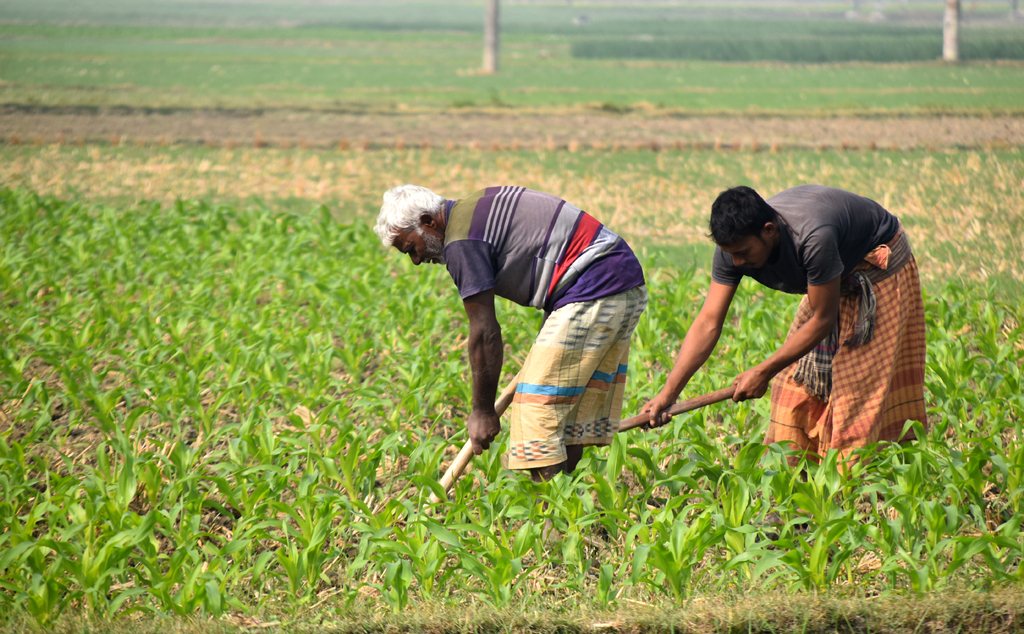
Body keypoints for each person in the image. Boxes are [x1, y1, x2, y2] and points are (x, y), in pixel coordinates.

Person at [374, 185, 647, 481]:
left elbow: (484, 332)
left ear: (428, 222)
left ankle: (552, 522)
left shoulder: (460, 241)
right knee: (563, 419)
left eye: (412, 248)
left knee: (537, 413)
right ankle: (569, 515)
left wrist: (481, 411)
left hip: (594, 288)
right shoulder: (475, 207)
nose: (416, 260)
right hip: (618, 281)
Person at [641, 185, 926, 463]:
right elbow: (708, 322)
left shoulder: (813, 238)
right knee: (793, 389)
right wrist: (668, 394)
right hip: (829, 281)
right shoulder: (732, 251)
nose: (737, 262)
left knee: (855, 398)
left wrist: (762, 371)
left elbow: (822, 320)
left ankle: (845, 498)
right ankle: (793, 490)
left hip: (876, 273)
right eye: (731, 254)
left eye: (743, 252)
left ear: (769, 230)